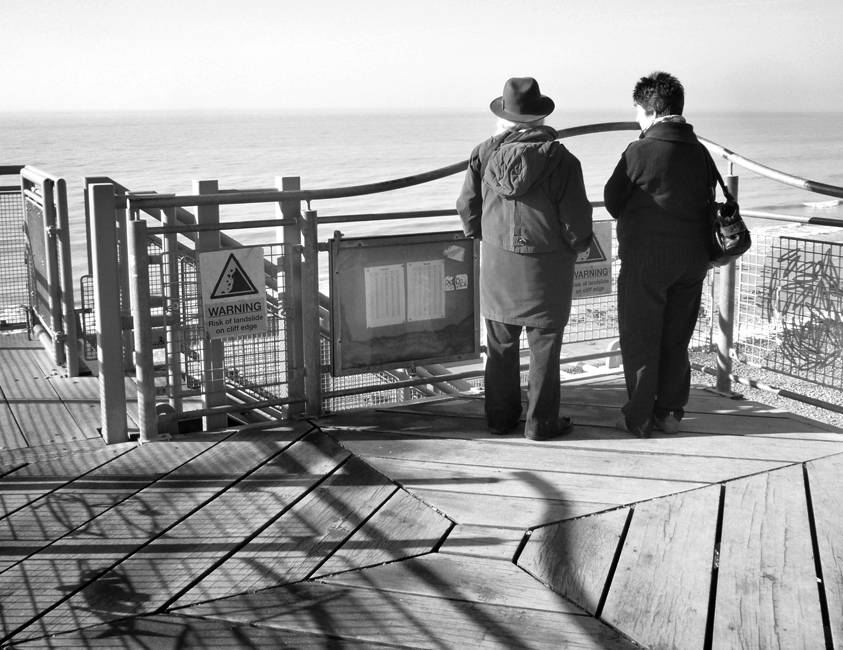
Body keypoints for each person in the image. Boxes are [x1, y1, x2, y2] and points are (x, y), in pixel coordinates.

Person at [457, 77, 593, 441]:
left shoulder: (483, 153)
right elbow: (576, 219)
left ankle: (500, 419)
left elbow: (466, 206)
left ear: (504, 118)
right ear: (539, 119)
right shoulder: (562, 160)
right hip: (545, 266)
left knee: (500, 343)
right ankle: (541, 423)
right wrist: (578, 245)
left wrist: (481, 236)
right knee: (544, 345)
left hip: (499, 263)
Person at [604, 71, 713, 438]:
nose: (636, 118)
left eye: (637, 111)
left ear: (650, 111)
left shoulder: (640, 150)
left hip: (646, 262)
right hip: (693, 260)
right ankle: (669, 413)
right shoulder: (701, 152)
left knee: (640, 338)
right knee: (676, 338)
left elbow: (612, 200)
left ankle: (638, 418)